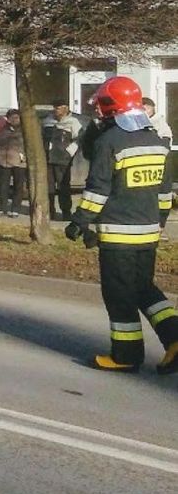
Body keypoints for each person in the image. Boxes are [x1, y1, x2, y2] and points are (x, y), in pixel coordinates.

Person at [66, 76, 178, 373]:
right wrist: (159, 222)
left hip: (118, 235)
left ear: (111, 106)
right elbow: (165, 192)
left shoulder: (109, 142)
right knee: (144, 288)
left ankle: (126, 356)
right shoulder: (157, 141)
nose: (99, 111)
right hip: (149, 232)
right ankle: (176, 339)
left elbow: (98, 191)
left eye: (103, 105)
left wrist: (79, 221)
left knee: (118, 294)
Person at [42, 99, 83, 221]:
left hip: (63, 159)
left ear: (65, 108)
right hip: (48, 158)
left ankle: (66, 212)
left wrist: (69, 151)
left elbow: (79, 139)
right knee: (48, 187)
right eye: (54, 107)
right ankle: (50, 212)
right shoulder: (47, 121)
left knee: (63, 187)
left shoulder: (73, 122)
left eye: (58, 107)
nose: (55, 110)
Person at [143, 97, 174, 238]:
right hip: (145, 166)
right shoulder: (140, 123)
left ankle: (161, 225)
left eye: (145, 109)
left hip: (161, 166)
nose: (143, 112)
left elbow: (165, 145)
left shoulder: (160, 124)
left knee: (163, 198)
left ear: (151, 108)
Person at [0, 109, 27, 217]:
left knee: (18, 186)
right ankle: (2, 208)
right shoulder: (3, 130)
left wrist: (23, 154)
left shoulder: (24, 130)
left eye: (16, 117)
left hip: (20, 162)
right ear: (8, 119)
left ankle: (15, 209)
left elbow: (29, 146)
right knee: (3, 186)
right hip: (4, 160)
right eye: (11, 118)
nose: (14, 120)